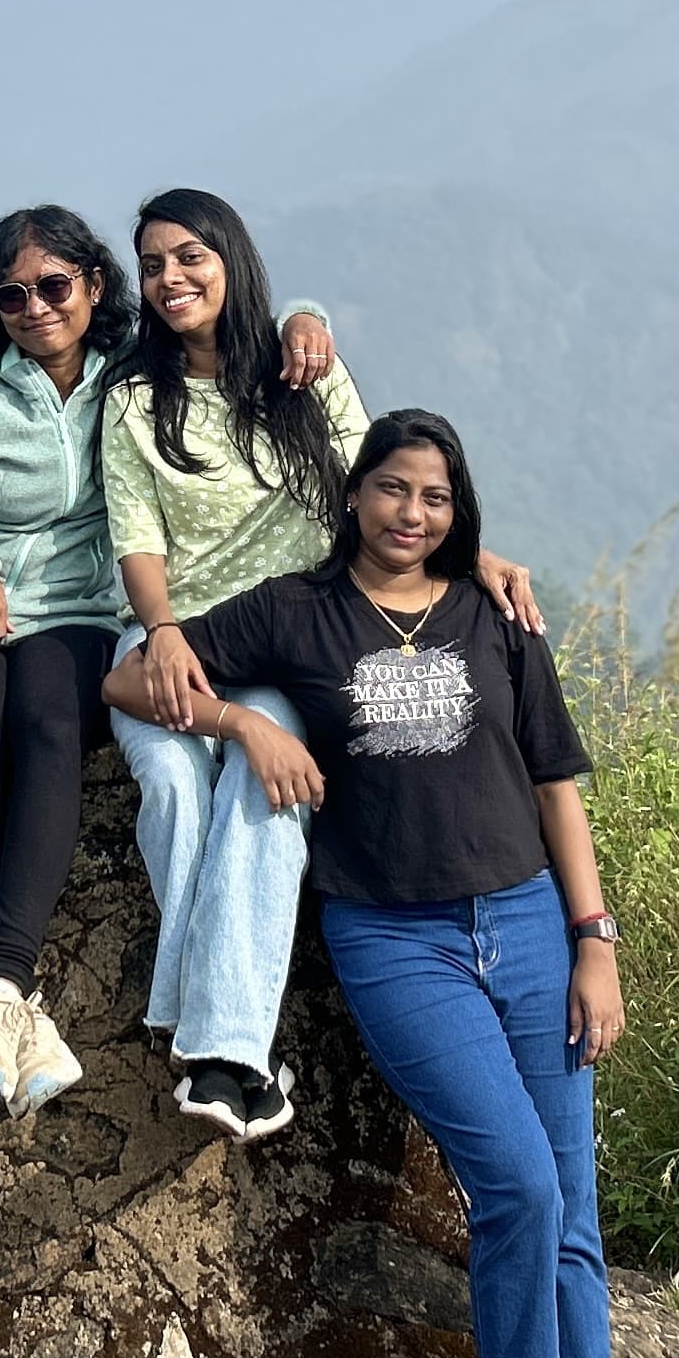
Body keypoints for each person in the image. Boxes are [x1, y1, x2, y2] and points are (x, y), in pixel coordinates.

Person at [99, 408, 651, 1358]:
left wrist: (593, 941)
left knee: (572, 1216)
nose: (414, 514)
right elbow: (132, 672)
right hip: (396, 944)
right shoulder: (298, 614)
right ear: (354, 497)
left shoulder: (496, 617)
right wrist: (243, 721)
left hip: (525, 927)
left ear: (462, 513)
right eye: (393, 491)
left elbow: (555, 784)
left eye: (437, 499)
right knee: (519, 1191)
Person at [0, 203, 341, 1121]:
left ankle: (95, 1011)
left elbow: (235, 337)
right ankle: (5, 992)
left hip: (85, 617)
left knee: (53, 727)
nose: (37, 306)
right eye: (12, 294)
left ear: (95, 287)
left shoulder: (126, 378)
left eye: (56, 285)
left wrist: (309, 313)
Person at [103, 189, 541, 1145]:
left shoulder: (307, 369)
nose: (171, 279)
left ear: (232, 258)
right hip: (182, 628)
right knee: (174, 781)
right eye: (152, 265)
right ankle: (215, 1037)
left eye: (191, 257)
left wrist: (476, 555)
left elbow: (388, 484)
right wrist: (164, 628)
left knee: (268, 792)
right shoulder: (136, 399)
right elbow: (137, 536)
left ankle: (218, 1053)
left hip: (285, 642)